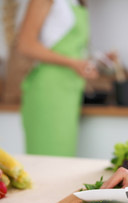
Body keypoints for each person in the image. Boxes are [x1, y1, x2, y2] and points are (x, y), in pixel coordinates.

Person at [17, 0, 99, 156]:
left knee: (63, 157)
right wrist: (73, 63)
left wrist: (94, 61)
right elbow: (25, 44)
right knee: (46, 157)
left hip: (69, 91)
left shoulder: (77, 3)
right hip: (48, 89)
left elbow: (68, 48)